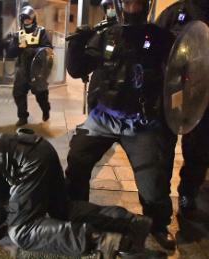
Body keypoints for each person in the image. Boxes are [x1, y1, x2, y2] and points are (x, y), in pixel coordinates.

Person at [0, 130, 153, 258]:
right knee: (61, 210)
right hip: (40, 149)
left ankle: (104, 241)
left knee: (22, 231)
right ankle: (129, 222)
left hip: (28, 166)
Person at [65, 0, 177, 250]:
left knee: (154, 183)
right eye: (128, 1)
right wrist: (76, 44)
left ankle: (158, 224)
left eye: (137, 2)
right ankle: (76, 215)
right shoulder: (105, 34)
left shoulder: (160, 37)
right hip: (103, 118)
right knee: (77, 161)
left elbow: (183, 69)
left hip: (140, 122)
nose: (132, 6)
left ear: (146, 5)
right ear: (119, 4)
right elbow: (76, 69)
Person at [155, 0, 209, 217]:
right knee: (162, 149)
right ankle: (159, 199)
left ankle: (187, 192)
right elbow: (154, 51)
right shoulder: (174, 13)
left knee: (199, 150)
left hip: (204, 96)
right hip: (171, 93)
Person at [7, 5, 52, 127]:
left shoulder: (41, 32)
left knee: (41, 94)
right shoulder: (18, 35)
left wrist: (33, 50)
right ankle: (22, 117)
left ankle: (46, 109)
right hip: (22, 69)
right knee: (18, 93)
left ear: (33, 19)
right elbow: (10, 52)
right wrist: (17, 47)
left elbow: (48, 49)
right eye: (24, 19)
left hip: (37, 69)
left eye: (28, 19)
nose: (26, 21)